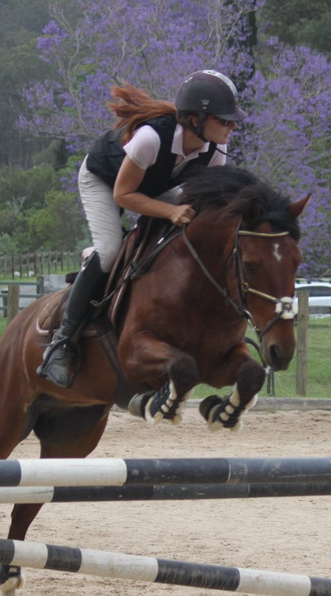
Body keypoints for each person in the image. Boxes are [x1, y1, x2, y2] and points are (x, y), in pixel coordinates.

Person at [37, 69, 247, 388]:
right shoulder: (151, 137)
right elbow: (123, 195)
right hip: (105, 182)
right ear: (195, 119)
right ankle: (61, 344)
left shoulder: (216, 152)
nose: (232, 126)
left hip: (154, 187)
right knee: (109, 252)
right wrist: (171, 211)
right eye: (225, 120)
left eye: (233, 121)